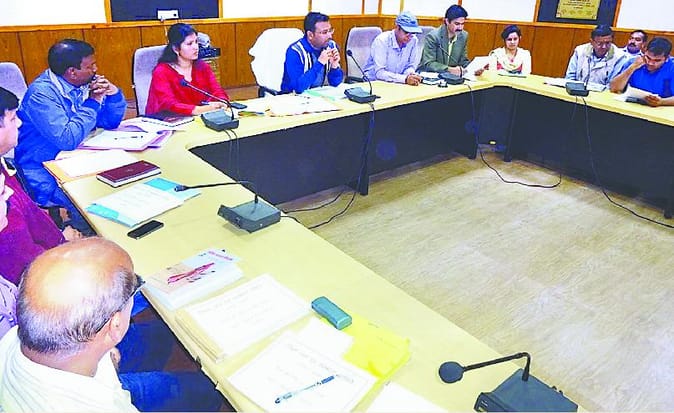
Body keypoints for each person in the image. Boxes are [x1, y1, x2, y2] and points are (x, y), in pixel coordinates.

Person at [0, 238, 139, 411]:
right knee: (170, 383)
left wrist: (107, 361)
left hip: (101, 370)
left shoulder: (11, 338)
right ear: (115, 326)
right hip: (110, 393)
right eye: (135, 287)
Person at [14, 39, 126, 234]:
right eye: (90, 66)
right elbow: (67, 139)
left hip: (79, 158)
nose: (96, 70)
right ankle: (89, 238)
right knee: (92, 203)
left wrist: (113, 94)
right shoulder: (41, 95)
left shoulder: (82, 83)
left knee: (122, 182)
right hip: (43, 167)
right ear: (72, 72)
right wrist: (92, 102)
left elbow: (109, 122)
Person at [0, 87, 82, 285]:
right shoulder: (3, 196)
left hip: (48, 252)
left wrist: (59, 238)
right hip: (43, 278)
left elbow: (30, 217)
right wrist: (63, 249)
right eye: (12, 119)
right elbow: (21, 262)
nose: (19, 123)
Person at [145, 23, 230, 116]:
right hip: (169, 120)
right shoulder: (161, 72)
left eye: (196, 42)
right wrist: (199, 110)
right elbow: (168, 104)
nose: (196, 47)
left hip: (199, 118)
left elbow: (217, 90)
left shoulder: (202, 66)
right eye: (189, 44)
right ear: (176, 49)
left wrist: (222, 101)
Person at [281, 12, 344, 93]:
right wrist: (319, 63)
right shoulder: (295, 52)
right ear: (310, 35)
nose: (330, 36)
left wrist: (334, 66)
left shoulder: (331, 45)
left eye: (330, 31)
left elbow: (335, 83)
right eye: (324, 32)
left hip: (319, 95)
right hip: (292, 97)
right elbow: (298, 87)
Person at [362, 12, 423, 85]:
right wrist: (404, 79)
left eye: (412, 33)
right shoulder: (382, 40)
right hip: (374, 83)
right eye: (406, 32)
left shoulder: (413, 40)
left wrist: (411, 74)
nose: (409, 37)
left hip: (397, 83)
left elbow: (410, 66)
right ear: (397, 27)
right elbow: (380, 73)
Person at [610, 37, 674, 107]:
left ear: (667, 58)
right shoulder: (634, 62)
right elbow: (614, 88)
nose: (650, 63)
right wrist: (632, 68)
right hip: (631, 106)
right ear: (645, 51)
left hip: (661, 109)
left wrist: (662, 102)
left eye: (657, 60)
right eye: (648, 57)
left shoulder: (671, 68)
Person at [418, 4, 470, 75]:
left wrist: (474, 68)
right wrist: (449, 69)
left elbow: (463, 61)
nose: (460, 28)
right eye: (457, 24)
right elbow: (428, 64)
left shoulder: (463, 36)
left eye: (462, 24)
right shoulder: (433, 36)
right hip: (432, 76)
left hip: (451, 77)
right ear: (447, 21)